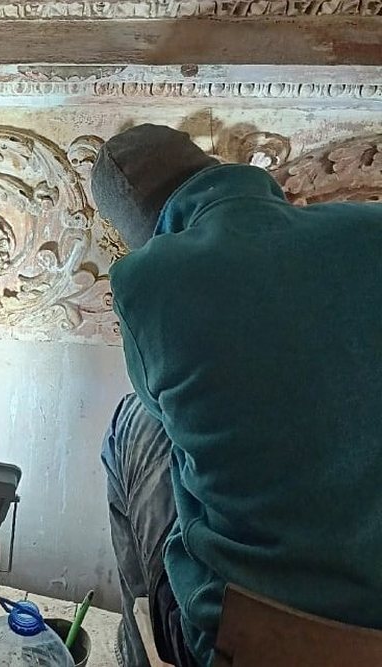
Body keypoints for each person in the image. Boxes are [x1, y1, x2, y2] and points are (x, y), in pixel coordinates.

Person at [92, 124, 382, 667]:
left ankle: (140, 647)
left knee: (132, 422)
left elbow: (166, 418)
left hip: (246, 640)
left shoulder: (147, 279)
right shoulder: (371, 227)